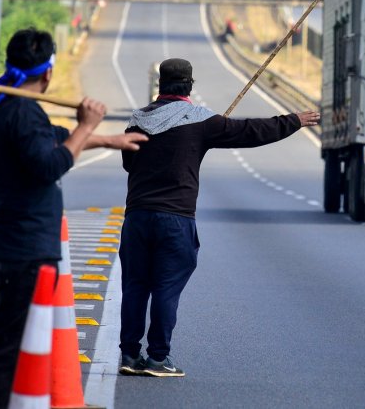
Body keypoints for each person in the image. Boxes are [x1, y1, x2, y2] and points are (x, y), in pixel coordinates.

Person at [0, 28, 147, 408]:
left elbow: (54, 138)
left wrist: (108, 139)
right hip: (24, 249)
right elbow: (49, 164)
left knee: (10, 342)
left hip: (2, 243)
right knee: (9, 348)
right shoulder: (22, 112)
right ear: (48, 73)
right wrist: (88, 125)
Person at [117, 57, 319, 378]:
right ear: (190, 86)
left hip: (138, 217)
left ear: (160, 86)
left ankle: (129, 355)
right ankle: (158, 358)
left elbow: (130, 164)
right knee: (166, 288)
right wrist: (293, 120)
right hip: (176, 219)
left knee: (135, 286)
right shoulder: (200, 121)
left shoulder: (137, 121)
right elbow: (251, 131)